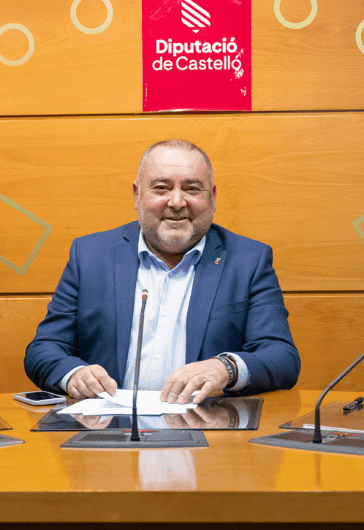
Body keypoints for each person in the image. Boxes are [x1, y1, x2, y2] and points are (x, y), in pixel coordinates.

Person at [24, 139, 300, 404]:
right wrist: (74, 375)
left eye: (192, 188)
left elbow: (282, 357)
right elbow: (44, 349)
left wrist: (225, 368)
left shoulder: (248, 260)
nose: (177, 202)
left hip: (208, 432)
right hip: (109, 432)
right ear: (137, 195)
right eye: (161, 188)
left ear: (212, 197)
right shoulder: (91, 255)